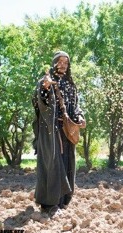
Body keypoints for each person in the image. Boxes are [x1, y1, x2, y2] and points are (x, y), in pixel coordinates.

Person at [32, 51, 86, 216]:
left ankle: (63, 202)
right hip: (52, 132)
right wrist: (45, 88)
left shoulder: (70, 84)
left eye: (66, 62)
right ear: (54, 63)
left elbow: (75, 106)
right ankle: (49, 204)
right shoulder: (46, 81)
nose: (63, 65)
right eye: (60, 62)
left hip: (67, 132)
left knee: (67, 164)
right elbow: (38, 101)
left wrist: (80, 117)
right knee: (54, 165)